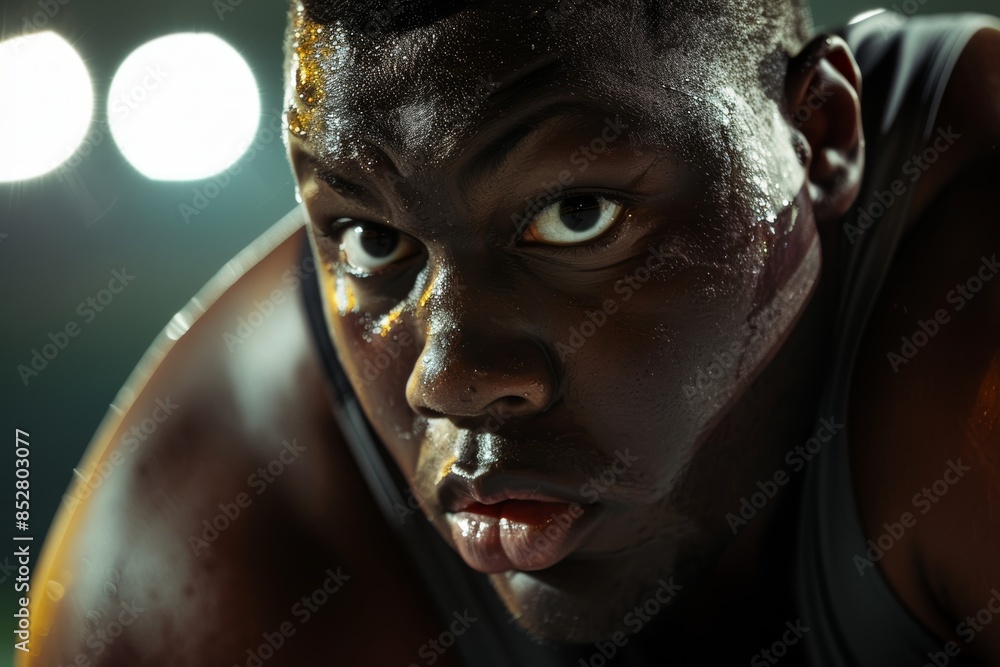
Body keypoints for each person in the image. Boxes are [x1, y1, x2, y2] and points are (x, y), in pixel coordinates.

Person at [18, 1, 1000, 665]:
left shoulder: (967, 332)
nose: (448, 378)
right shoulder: (213, 531)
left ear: (816, 134)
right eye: (368, 235)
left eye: (575, 214)